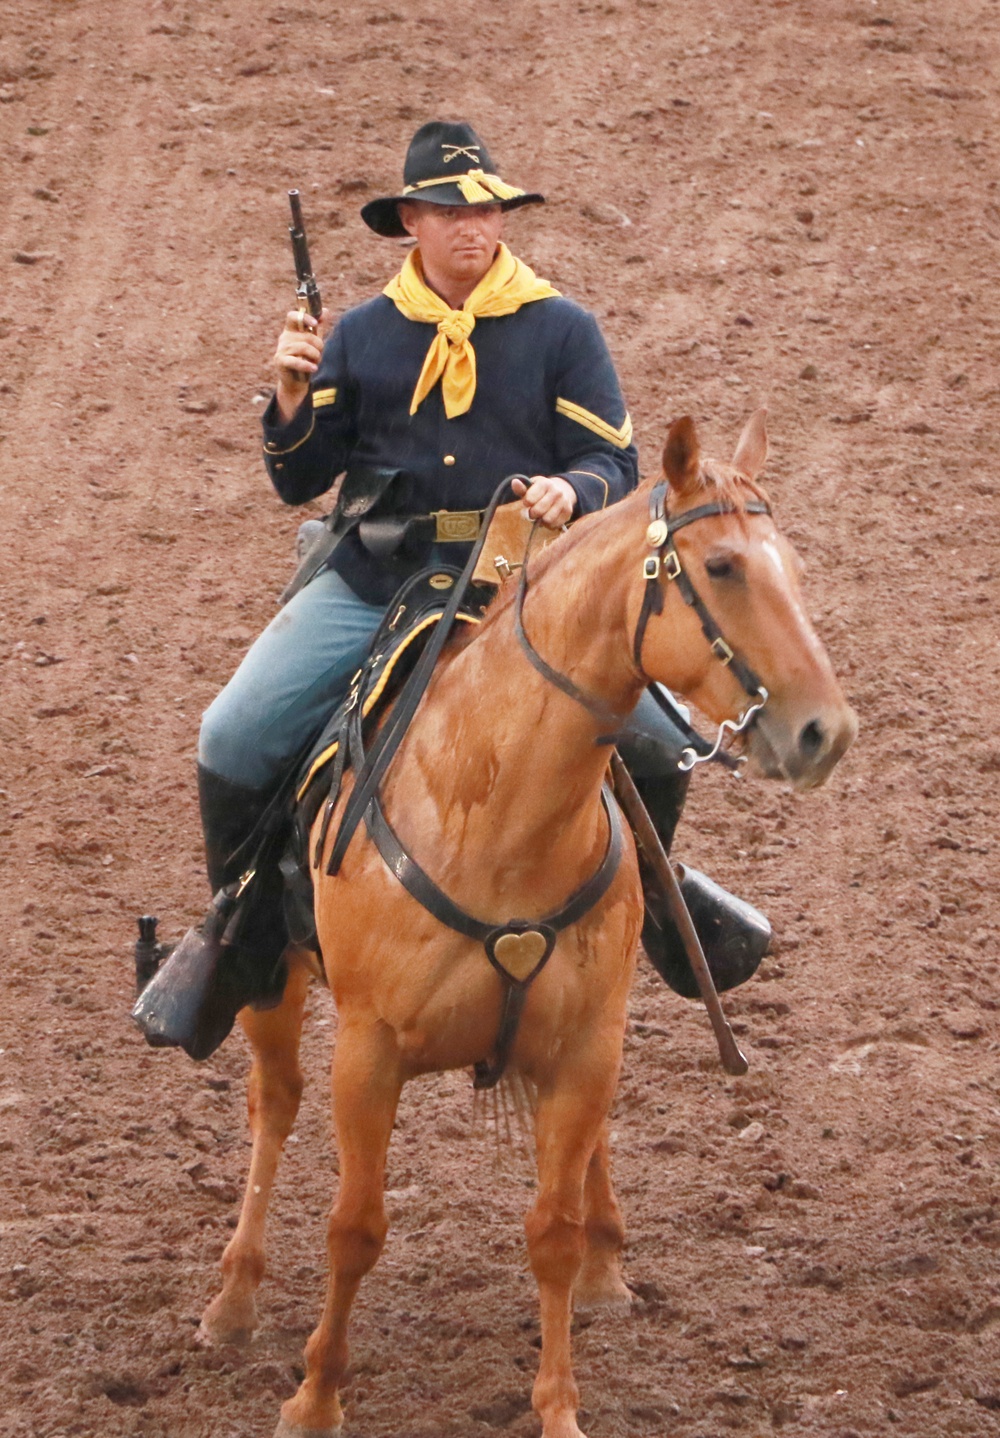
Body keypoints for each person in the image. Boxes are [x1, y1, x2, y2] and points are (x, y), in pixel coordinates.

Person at [134, 120, 768, 1061]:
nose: (472, 226)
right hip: (374, 581)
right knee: (234, 731)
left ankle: (655, 903)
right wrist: (290, 401)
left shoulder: (562, 327)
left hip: (515, 593)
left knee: (658, 740)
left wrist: (575, 489)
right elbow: (300, 479)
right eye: (448, 210)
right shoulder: (360, 334)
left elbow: (612, 458)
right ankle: (243, 933)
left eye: (487, 209)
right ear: (411, 224)